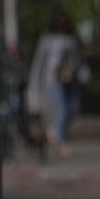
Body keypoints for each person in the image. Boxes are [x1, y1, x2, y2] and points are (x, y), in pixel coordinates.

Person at [26, 8, 89, 157]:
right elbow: (39, 64)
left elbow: (77, 60)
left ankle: (53, 133)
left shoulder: (71, 39)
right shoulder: (47, 41)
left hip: (69, 80)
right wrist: (35, 85)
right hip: (52, 81)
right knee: (60, 110)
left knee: (73, 107)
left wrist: (81, 73)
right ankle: (59, 142)